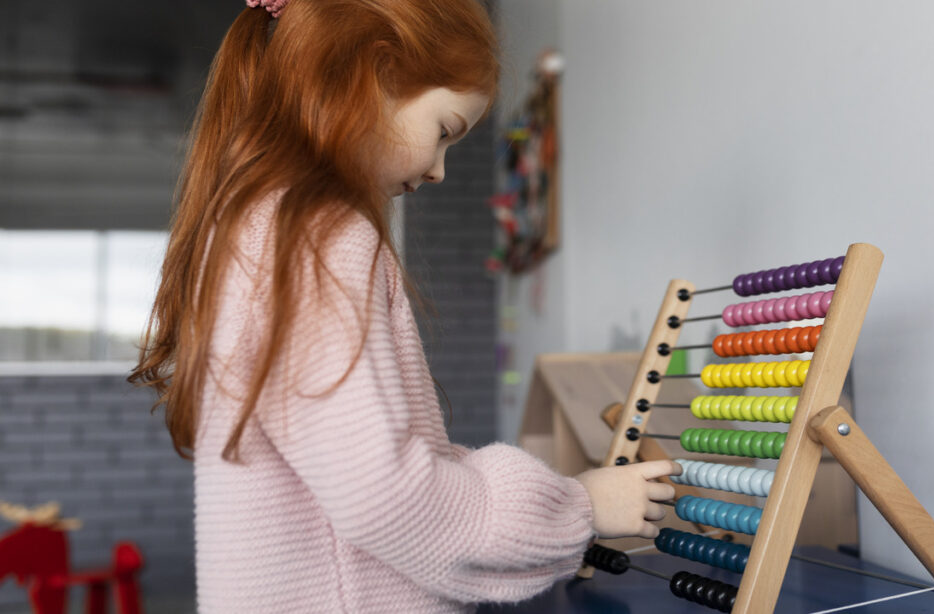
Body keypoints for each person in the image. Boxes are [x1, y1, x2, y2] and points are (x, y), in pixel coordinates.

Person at [129, 0, 680, 612]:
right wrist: (580, 506)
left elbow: (361, 471)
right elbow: (388, 497)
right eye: (444, 131)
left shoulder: (255, 228)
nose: (440, 171)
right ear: (373, 73)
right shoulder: (316, 231)